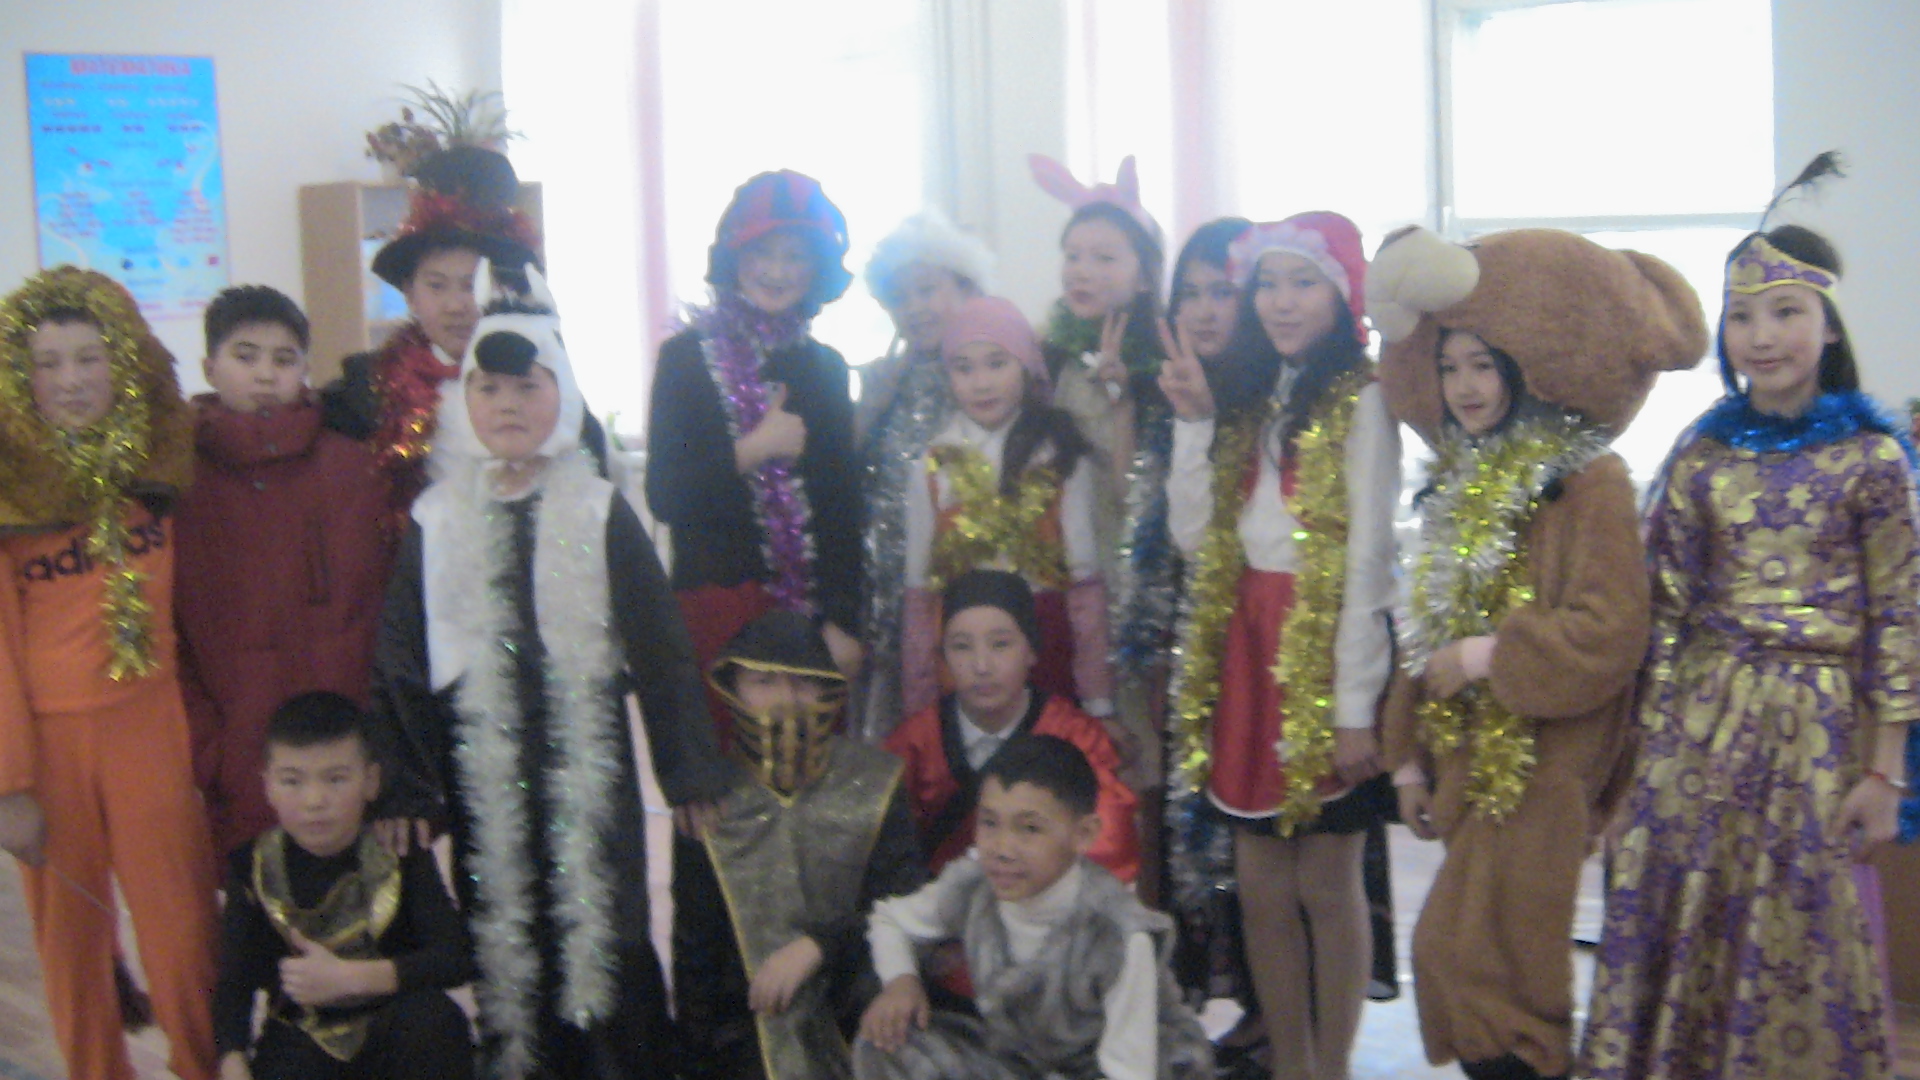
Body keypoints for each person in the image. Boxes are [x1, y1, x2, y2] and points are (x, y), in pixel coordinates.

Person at [367, 262, 735, 1076]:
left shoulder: (598, 509)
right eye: (489, 389)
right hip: (481, 763)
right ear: (464, 401)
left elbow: (661, 647)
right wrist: (405, 786)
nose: (508, 405)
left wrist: (687, 771)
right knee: (505, 921)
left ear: (560, 396)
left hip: (585, 757)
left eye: (527, 388)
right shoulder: (436, 517)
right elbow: (401, 658)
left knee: (605, 921)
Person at [1579, 210, 1918, 1077]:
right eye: (1741, 316)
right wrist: (1636, 762)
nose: (1761, 337)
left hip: (1815, 732)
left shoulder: (1875, 460)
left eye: (1786, 312)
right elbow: (1666, 610)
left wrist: (1885, 773)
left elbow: (1900, 620)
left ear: (1829, 326)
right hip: (1696, 725)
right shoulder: (1702, 454)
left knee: (1799, 928)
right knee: (1687, 916)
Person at [1370, 227, 1705, 1080]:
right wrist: (1406, 759)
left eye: (1484, 365)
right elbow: (1425, 630)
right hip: (1469, 762)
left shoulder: (1589, 481)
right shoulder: (1458, 482)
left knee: (1491, 969)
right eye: (1450, 366)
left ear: (1521, 368)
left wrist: (1493, 656)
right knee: (1468, 959)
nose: (1466, 386)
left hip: (1548, 764)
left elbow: (1612, 630)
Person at [1155, 214, 1398, 1080]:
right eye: (1267, 284)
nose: (1282, 302)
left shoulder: (1365, 398)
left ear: (1341, 295)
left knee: (1325, 884)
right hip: (1245, 643)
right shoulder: (1248, 395)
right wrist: (1193, 422)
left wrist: (1355, 706)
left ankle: (1332, 1067)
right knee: (1260, 884)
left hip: (1325, 645)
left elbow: (1369, 558)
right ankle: (1290, 1063)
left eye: (1303, 283)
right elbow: (1194, 539)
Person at [0, 267, 218, 1080]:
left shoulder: (158, 465)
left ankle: (201, 1064)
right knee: (72, 946)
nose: (70, 381)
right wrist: (10, 786)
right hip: (49, 746)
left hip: (149, 726)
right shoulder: (8, 491)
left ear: (120, 364)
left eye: (88, 359)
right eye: (48, 364)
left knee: (182, 929)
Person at [175, 285, 396, 855]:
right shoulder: (176, 482)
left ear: (305, 370)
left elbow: (392, 609)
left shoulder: (355, 466)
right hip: (242, 755)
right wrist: (212, 754)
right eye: (245, 356)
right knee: (259, 898)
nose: (265, 374)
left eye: (284, 358)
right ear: (210, 367)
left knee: (371, 897)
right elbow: (169, 636)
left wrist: (389, 747)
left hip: (350, 750)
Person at [853, 734, 1212, 1080]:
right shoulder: (973, 883)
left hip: (1120, 1066)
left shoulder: (1116, 931)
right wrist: (901, 981)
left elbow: (1130, 1069)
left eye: (1029, 829)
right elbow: (889, 920)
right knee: (886, 1042)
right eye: (989, 823)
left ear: (1084, 835)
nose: (1002, 848)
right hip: (1018, 1060)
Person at [646, 169, 865, 707]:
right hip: (715, 605)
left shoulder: (827, 369)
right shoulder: (684, 359)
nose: (776, 271)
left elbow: (842, 508)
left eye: (795, 256)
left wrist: (843, 620)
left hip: (807, 613)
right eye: (762, 252)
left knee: (808, 755)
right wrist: (753, 449)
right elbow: (666, 495)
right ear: (734, 256)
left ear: (816, 269)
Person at [675, 611, 927, 1080]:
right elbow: (696, 952)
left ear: (829, 687)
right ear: (734, 687)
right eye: (764, 681)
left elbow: (908, 904)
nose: (786, 700)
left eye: (804, 681)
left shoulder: (875, 782)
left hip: (858, 1008)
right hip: (748, 1029)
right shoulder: (709, 801)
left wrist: (819, 947)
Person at [321, 146, 606, 517]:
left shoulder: (545, 377)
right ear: (410, 295)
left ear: (502, 289)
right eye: (436, 286)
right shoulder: (367, 391)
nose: (455, 305)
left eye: (471, 286)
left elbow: (593, 483)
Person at [214, 692, 475, 1080]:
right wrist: (232, 1061)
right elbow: (233, 985)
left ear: (370, 781)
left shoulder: (397, 849)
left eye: (336, 779)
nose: (314, 800)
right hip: (302, 1034)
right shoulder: (251, 866)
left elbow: (455, 956)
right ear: (267, 785)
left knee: (436, 1022)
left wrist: (353, 978)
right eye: (292, 781)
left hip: (396, 1024)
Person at [899, 296, 1113, 721]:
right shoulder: (934, 462)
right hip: (962, 655)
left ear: (1026, 367)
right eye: (964, 368)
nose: (981, 383)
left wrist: (1098, 700)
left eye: (997, 364)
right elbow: (919, 592)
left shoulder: (1058, 454)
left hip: (1045, 646)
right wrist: (920, 707)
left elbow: (1085, 585)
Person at [1029, 154, 1168, 781]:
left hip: (1127, 583)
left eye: (1105, 257)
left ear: (1143, 276)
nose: (1082, 270)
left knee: (1133, 752)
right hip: (1054, 574)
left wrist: (1122, 400)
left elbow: (1134, 499)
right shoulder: (1045, 354)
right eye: (1073, 255)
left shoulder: (1163, 365)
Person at [854, 211, 994, 740]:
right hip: (891, 598)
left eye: (927, 290)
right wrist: (869, 409)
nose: (913, 307)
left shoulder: (997, 371)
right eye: (899, 297)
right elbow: (846, 484)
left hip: (973, 596)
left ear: (967, 287)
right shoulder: (887, 381)